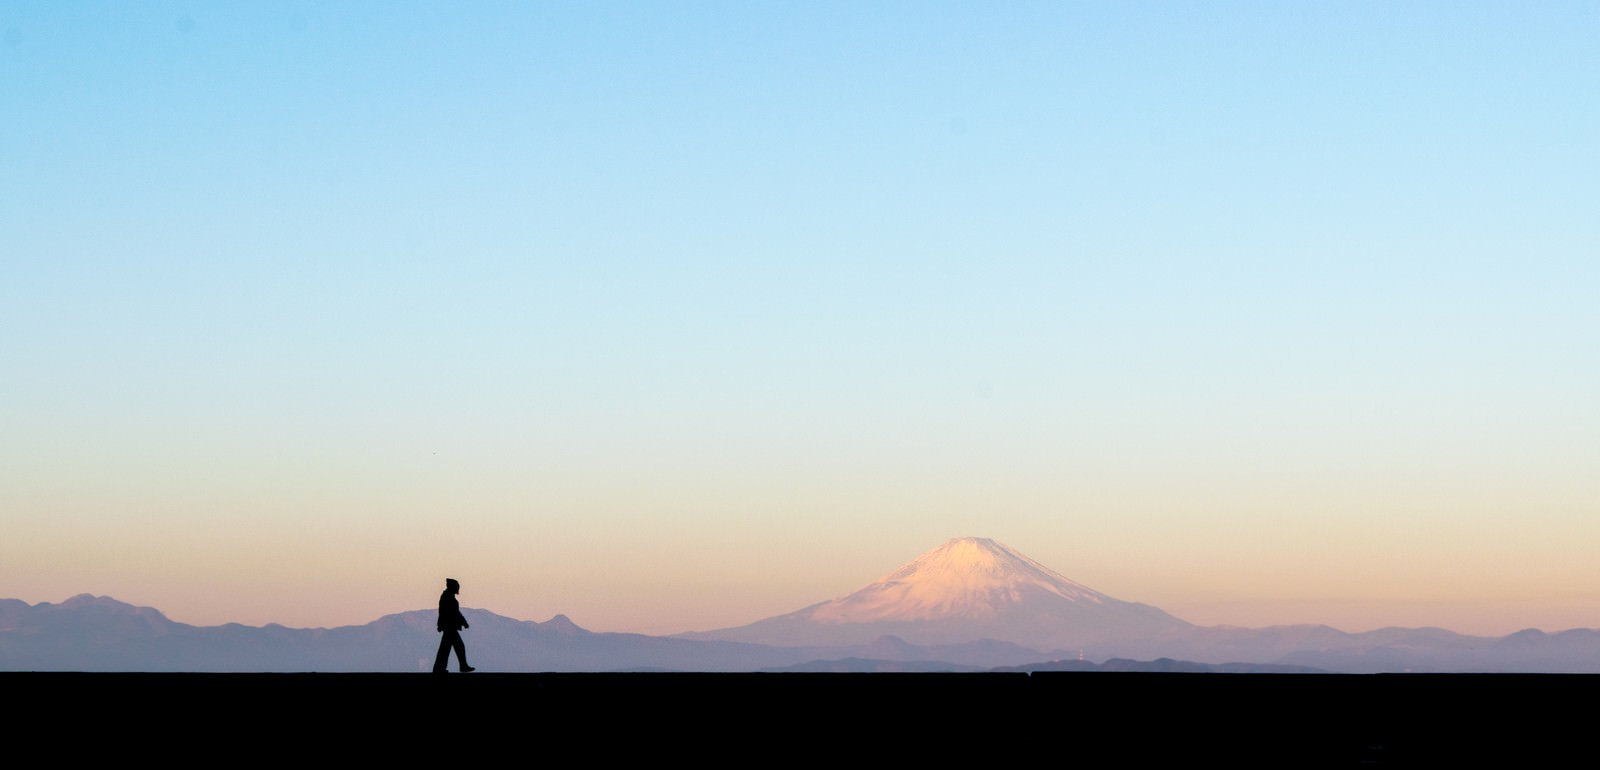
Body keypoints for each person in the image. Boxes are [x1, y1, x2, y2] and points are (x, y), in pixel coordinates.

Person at [433, 578, 474, 673]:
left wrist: (463, 622)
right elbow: (450, 612)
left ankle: (439, 669)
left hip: (448, 626)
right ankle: (462, 666)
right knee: (458, 646)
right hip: (449, 627)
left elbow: (450, 612)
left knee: (445, 649)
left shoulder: (448, 596)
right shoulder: (448, 597)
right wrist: (463, 622)